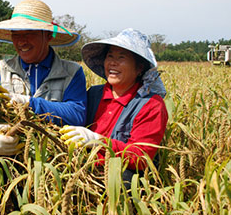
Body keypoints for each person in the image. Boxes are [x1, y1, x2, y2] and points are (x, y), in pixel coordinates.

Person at [0, 0, 87, 212]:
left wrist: (31, 103)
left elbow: (77, 114)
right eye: (16, 34)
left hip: (54, 156)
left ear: (48, 35)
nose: (21, 41)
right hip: (10, 153)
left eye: (29, 33)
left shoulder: (72, 72)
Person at [60, 28, 168, 190]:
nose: (113, 63)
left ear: (139, 68)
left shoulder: (151, 104)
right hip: (81, 170)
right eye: (110, 56)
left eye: (121, 57)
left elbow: (141, 157)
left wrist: (99, 142)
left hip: (117, 181)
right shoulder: (93, 94)